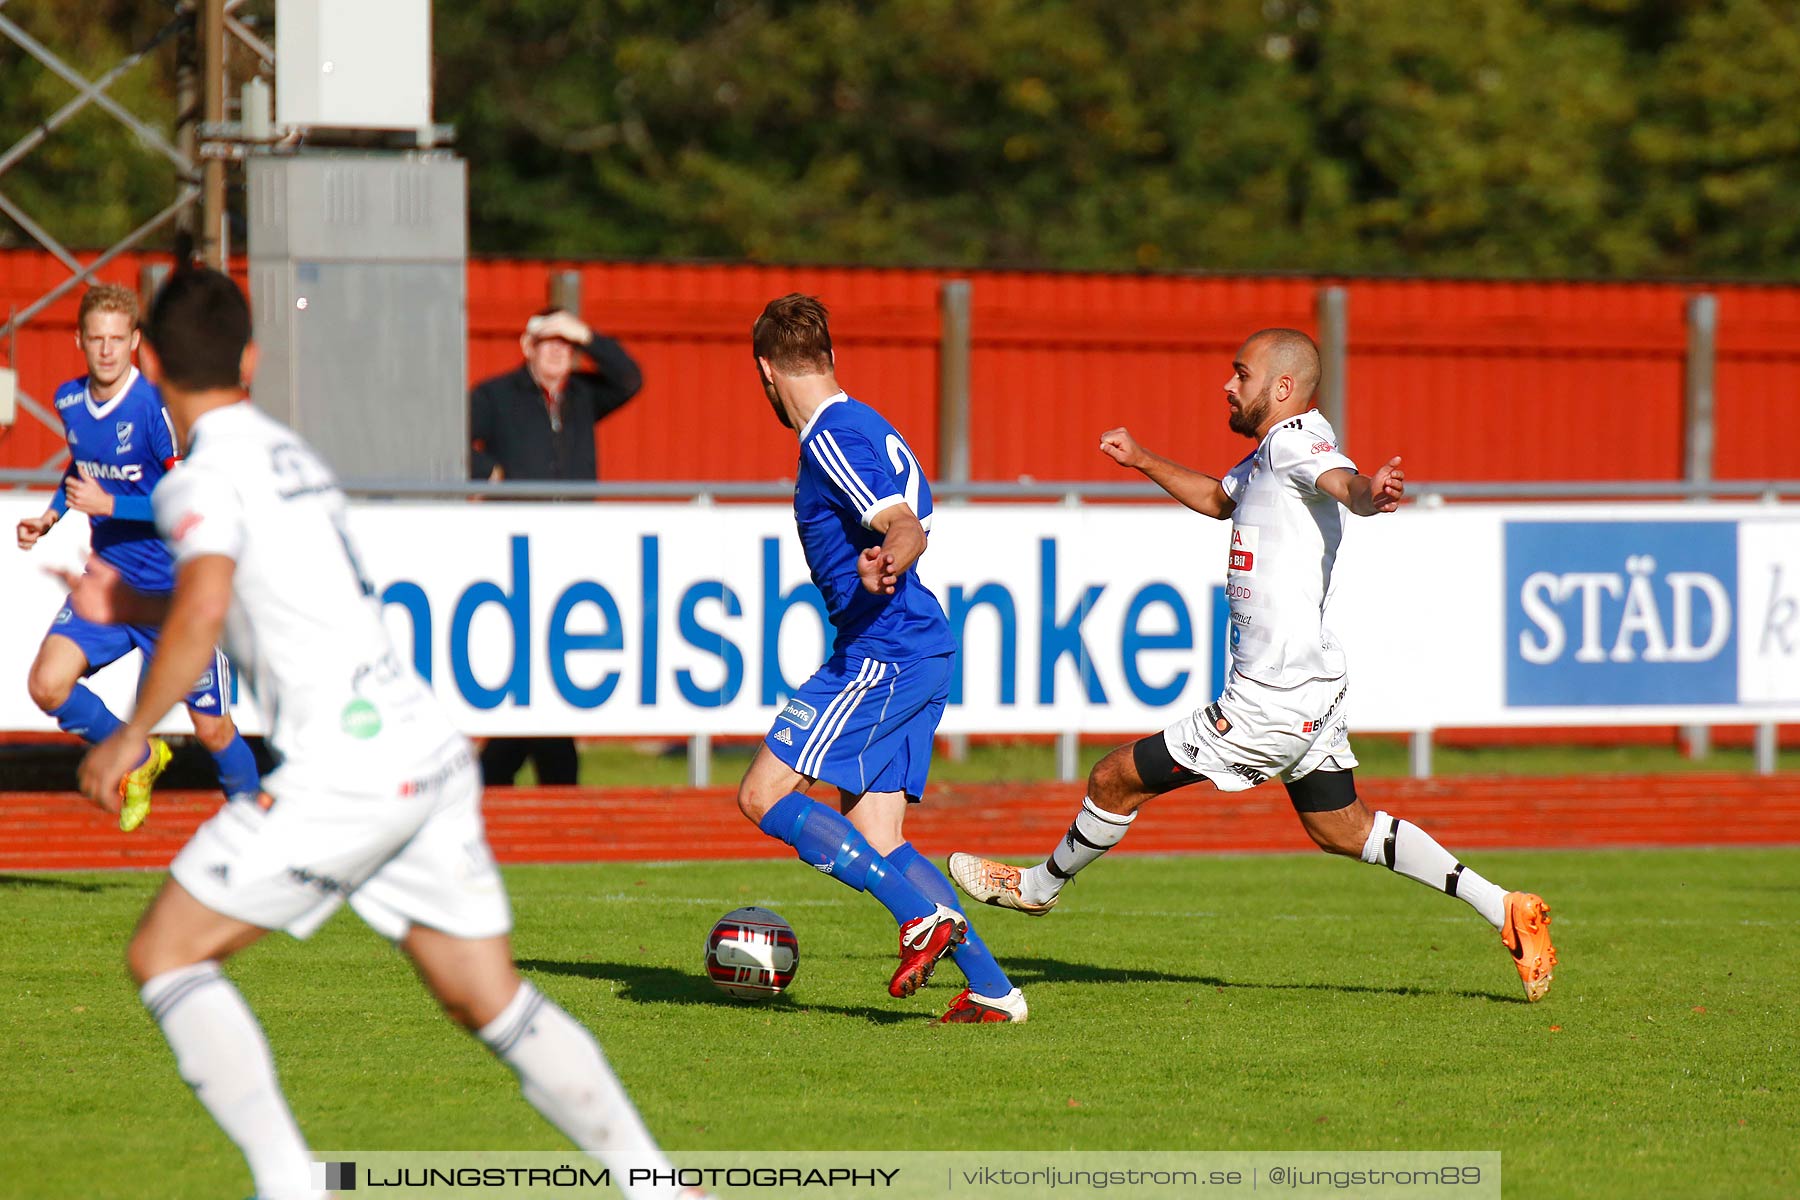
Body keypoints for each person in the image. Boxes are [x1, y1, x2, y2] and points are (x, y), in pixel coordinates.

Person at [65, 266, 699, 1200]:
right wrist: (133, 594)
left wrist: (129, 735)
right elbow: (240, 589)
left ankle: (290, 1184)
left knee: (162, 954)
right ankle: (656, 1184)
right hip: (424, 747)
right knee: (492, 1001)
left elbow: (205, 604)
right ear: (251, 357)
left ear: (151, 361)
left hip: (347, 768)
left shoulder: (199, 477)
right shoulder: (288, 450)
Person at [948, 328, 1558, 1004]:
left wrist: (1367, 491)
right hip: (1313, 686)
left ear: (1283, 388)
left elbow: (1342, 481)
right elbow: (1220, 500)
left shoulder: (1300, 441)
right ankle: (1506, 906)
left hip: (1270, 700)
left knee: (1114, 776)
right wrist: (1144, 459)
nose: (1228, 385)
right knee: (1342, 827)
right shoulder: (1271, 454)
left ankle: (1038, 889)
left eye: (1241, 374)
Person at [733, 293, 1026, 1023]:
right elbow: (909, 512)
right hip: (917, 647)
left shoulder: (830, 436)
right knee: (878, 836)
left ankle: (919, 918)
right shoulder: (869, 424)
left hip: (884, 652)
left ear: (766, 370)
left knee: (762, 795)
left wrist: (888, 556)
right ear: (831, 358)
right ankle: (993, 989)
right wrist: (893, 550)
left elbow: (900, 522)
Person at [15, 282, 259, 831]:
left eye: (116, 339)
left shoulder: (155, 409)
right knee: (47, 684)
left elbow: (187, 500)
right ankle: (142, 756)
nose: (106, 350)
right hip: (108, 587)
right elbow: (83, 470)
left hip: (170, 594)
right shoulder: (68, 400)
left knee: (214, 729)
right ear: (79, 340)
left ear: (135, 342)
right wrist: (52, 516)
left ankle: (263, 831)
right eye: (96, 339)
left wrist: (112, 504)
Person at [469, 306, 643, 787]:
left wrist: (585, 332)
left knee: (555, 665)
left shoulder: (584, 395)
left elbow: (630, 377)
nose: (558, 352)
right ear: (527, 348)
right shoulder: (496, 395)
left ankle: (511, 773)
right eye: (548, 342)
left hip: (574, 555)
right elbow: (447, 438)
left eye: (566, 345)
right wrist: (489, 474)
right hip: (517, 556)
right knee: (527, 665)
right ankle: (542, 775)